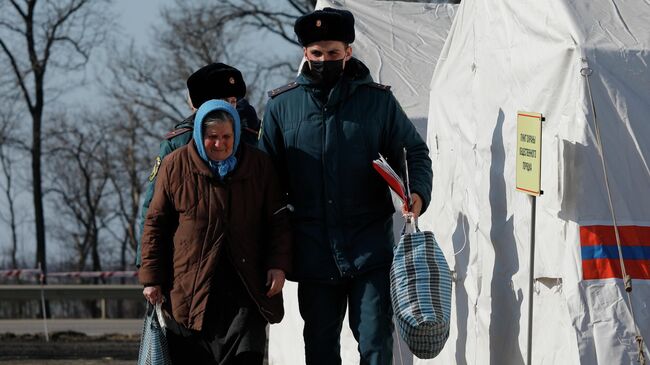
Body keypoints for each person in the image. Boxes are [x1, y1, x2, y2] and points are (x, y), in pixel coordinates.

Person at [258, 7, 433, 365]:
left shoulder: (378, 101)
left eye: (333, 53)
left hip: (369, 245)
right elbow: (265, 183)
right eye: (317, 54)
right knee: (320, 349)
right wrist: (272, 250)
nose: (324, 60)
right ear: (305, 55)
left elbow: (413, 150)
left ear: (349, 52)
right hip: (312, 251)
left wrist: (416, 193)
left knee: (375, 343)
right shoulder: (280, 107)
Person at [139, 99, 292, 365]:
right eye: (212, 137)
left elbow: (278, 221)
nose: (220, 144)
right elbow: (156, 224)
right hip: (189, 288)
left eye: (226, 136)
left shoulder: (259, 165)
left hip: (245, 286)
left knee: (245, 357)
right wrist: (152, 278)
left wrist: (277, 265)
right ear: (199, 134)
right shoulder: (175, 165)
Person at [136, 62, 261, 267]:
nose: (229, 108)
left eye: (233, 101)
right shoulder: (178, 144)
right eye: (221, 101)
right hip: (188, 260)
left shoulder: (253, 140)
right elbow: (154, 210)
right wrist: (149, 266)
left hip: (245, 260)